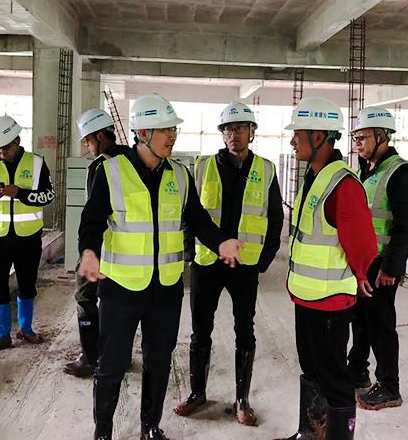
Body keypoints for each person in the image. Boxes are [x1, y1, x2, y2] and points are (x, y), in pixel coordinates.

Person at [78, 93, 243, 440]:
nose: (172, 136)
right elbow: (91, 220)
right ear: (142, 133)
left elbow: (197, 219)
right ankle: (103, 432)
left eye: (173, 129)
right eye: (165, 129)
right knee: (111, 364)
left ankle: (150, 427)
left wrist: (220, 242)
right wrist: (88, 252)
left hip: (166, 289)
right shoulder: (111, 171)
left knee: (159, 361)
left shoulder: (180, 175)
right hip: (121, 288)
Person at [173, 102, 283, 425]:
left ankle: (242, 400)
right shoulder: (202, 166)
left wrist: (264, 259)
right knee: (200, 331)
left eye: (241, 128)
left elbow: (275, 216)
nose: (235, 134)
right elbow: (189, 213)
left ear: (252, 132)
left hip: (245, 265)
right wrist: (190, 253)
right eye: (229, 129)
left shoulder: (266, 169)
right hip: (208, 263)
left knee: (244, 330)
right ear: (222, 134)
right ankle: (197, 393)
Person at [274, 97, 377, 440]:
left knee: (334, 379)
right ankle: (310, 434)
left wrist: (360, 274)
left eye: (298, 134)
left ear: (318, 136)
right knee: (312, 369)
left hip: (330, 301)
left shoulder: (342, 184)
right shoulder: (314, 177)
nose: (293, 141)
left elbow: (363, 245)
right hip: (306, 296)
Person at [347, 107, 408, 410]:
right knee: (360, 320)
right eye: (356, 138)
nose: (358, 143)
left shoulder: (401, 172)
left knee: (381, 325)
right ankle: (357, 371)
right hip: (363, 262)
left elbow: (406, 225)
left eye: (363, 137)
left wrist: (391, 267)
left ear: (382, 137)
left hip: (381, 264)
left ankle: (390, 386)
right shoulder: (366, 171)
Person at [0, 115, 55, 353]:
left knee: (27, 285)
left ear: (18, 141)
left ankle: (26, 329)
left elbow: (48, 196)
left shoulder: (36, 163)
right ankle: (1, 335)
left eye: (6, 147)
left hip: (27, 238)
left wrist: (20, 193)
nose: (2, 152)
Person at [64, 108, 130, 378]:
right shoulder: (132, 159)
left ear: (101, 136)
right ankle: (119, 355)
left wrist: (88, 251)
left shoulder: (102, 165)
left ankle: (90, 357)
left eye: (89, 140)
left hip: (103, 245)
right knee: (121, 302)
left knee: (85, 296)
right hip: (129, 247)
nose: (87, 146)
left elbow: (95, 213)